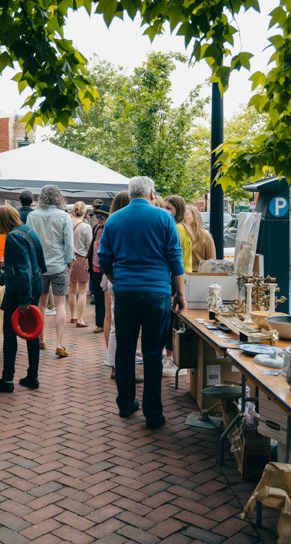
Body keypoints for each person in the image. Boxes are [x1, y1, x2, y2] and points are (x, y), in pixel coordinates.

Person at [98, 176, 185, 429]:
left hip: (125, 293)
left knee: (124, 350)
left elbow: (104, 258)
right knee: (152, 354)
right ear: (151, 193)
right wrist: (179, 293)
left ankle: (125, 404)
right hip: (157, 293)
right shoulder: (164, 218)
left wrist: (117, 279)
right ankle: (153, 412)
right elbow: (174, 258)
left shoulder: (114, 219)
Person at [0, 206, 46, 392]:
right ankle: (32, 376)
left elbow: (23, 269)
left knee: (10, 333)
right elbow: (37, 265)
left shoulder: (13, 237)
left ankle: (7, 380)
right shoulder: (27, 231)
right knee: (32, 331)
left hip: (21, 291)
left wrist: (23, 300)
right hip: (34, 286)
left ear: (3, 220)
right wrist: (3, 278)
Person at [26, 185, 74, 358]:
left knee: (41, 304)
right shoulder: (64, 216)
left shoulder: (32, 216)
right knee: (60, 304)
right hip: (59, 265)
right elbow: (68, 243)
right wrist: (70, 261)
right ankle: (60, 344)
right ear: (59, 198)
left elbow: (29, 241)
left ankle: (41, 340)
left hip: (39, 267)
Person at [101, 191, 130, 375]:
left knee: (112, 322)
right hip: (123, 278)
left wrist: (108, 276)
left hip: (112, 276)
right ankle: (121, 362)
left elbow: (104, 254)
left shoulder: (110, 223)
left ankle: (113, 364)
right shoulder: (128, 224)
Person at [68, 201, 92, 327]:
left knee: (72, 291)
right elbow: (90, 246)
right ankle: (80, 319)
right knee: (82, 291)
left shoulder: (67, 223)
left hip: (69, 259)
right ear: (84, 212)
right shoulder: (85, 227)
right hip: (82, 259)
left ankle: (73, 316)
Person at [88, 204, 109, 334]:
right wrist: (87, 259)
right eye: (97, 216)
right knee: (98, 296)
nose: (99, 218)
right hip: (94, 266)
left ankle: (107, 322)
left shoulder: (110, 229)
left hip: (105, 268)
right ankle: (100, 323)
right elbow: (92, 244)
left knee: (106, 297)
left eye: (102, 216)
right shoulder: (96, 228)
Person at [164, 195, 193, 273]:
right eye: (163, 207)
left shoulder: (178, 228)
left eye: (168, 208)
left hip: (179, 275)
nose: (164, 210)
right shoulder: (182, 226)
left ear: (178, 210)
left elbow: (172, 254)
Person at [185, 206, 216, 272]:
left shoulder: (205, 236)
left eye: (187, 214)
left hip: (199, 274)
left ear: (195, 216)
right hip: (181, 274)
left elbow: (211, 260)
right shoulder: (179, 233)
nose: (184, 217)